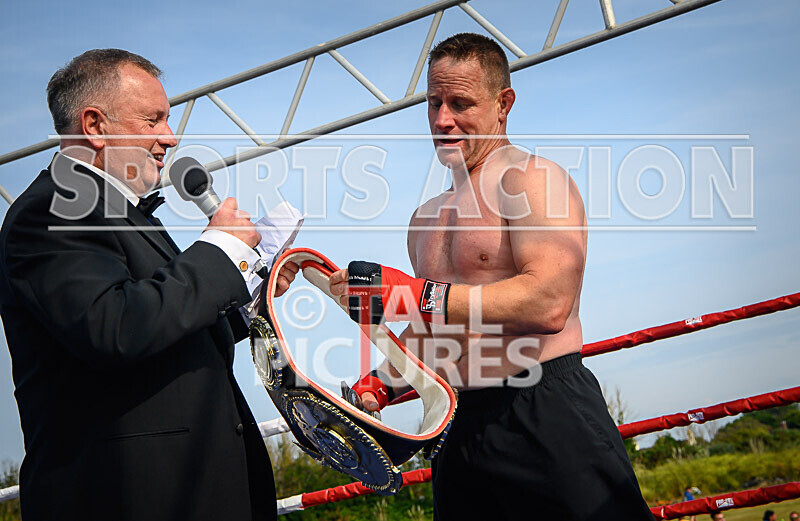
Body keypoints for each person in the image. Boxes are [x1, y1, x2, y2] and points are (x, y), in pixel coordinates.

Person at [329, 33, 654, 519]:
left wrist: (415, 294)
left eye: (461, 103)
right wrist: (379, 386)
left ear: (504, 104)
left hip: (543, 407)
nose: (443, 120)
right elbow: (436, 333)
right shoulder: (424, 219)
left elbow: (549, 302)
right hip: (458, 424)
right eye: (434, 103)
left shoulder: (533, 180)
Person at [0, 49, 297, 521]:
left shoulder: (117, 214)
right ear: (95, 125)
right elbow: (113, 327)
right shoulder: (51, 211)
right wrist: (220, 250)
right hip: (129, 497)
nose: (170, 138)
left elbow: (164, 329)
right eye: (153, 120)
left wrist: (247, 301)